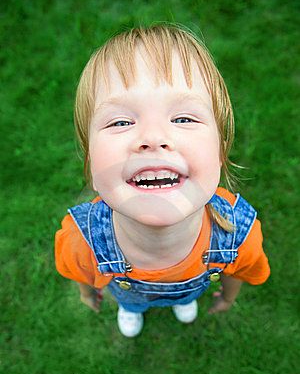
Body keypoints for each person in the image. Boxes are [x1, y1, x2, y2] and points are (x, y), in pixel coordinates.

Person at [55, 23, 270, 338]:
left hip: (194, 287)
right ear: (91, 164)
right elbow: (82, 274)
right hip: (127, 292)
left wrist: (226, 296)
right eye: (121, 121)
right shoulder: (81, 240)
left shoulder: (239, 234)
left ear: (220, 152)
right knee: (131, 302)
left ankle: (183, 300)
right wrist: (88, 294)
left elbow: (236, 272)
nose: (153, 138)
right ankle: (132, 309)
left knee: (187, 296)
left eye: (183, 118)